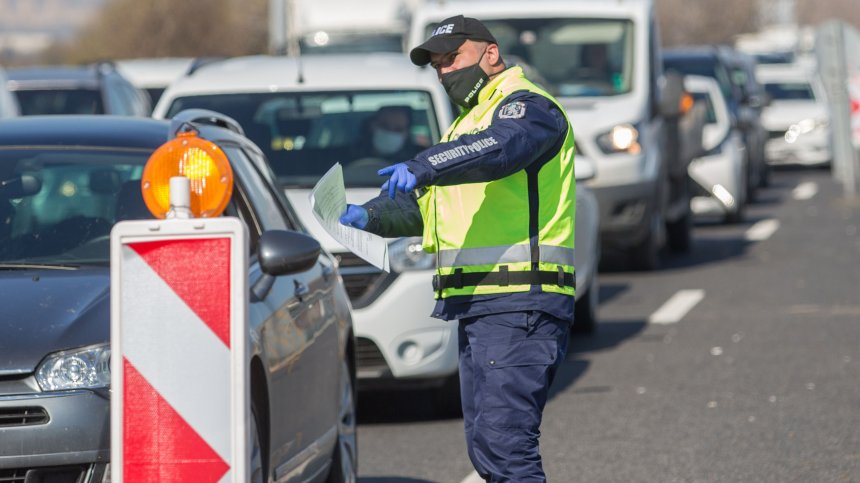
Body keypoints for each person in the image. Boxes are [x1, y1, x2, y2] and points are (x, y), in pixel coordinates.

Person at [340, 15, 576, 482]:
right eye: (438, 65)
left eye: (453, 58)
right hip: (480, 306)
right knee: (489, 448)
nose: (445, 71)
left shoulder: (527, 108)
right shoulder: (466, 125)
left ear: (491, 53)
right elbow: (435, 211)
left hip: (519, 304)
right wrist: (369, 217)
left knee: (506, 449)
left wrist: (426, 164)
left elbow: (501, 149)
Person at [358, 105, 424, 161]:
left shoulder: (421, 158)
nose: (390, 133)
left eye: (398, 129)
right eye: (384, 126)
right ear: (372, 126)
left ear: (407, 133)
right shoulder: (351, 154)